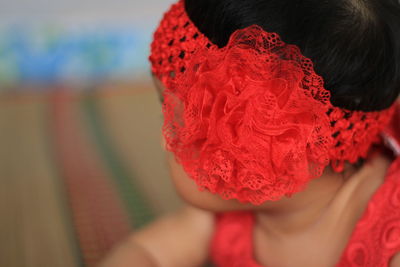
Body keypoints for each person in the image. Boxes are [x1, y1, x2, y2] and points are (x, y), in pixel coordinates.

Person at [99, 0, 400, 266]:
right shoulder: (225, 215)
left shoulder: (389, 236)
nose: (164, 138)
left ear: (272, 137)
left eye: (183, 123)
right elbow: (146, 253)